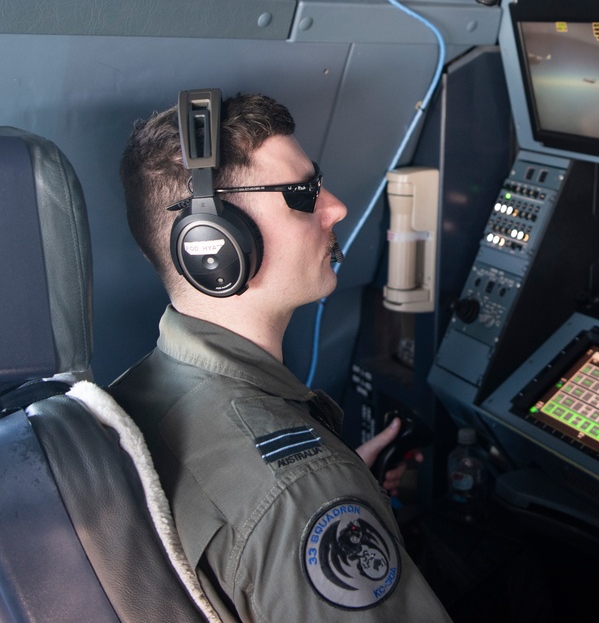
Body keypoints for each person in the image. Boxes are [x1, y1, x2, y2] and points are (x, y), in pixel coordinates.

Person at [111, 93, 451, 621]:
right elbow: (273, 501)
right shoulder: (301, 494)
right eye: (302, 192)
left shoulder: (133, 392)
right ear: (214, 243)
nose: (335, 207)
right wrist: (318, 490)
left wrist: (339, 485)